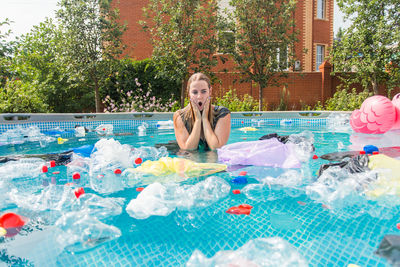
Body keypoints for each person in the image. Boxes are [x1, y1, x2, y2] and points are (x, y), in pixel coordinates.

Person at [173, 73, 231, 150]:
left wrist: (204, 119)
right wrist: (198, 120)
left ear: (210, 91)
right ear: (189, 94)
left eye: (203, 91)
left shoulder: (222, 114)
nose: (199, 97)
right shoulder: (180, 116)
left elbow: (216, 148)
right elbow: (188, 149)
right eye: (195, 92)